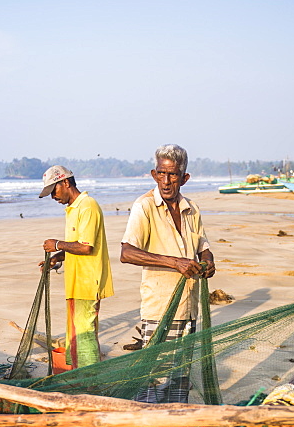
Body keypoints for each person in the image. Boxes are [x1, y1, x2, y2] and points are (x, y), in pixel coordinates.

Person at [120, 144, 215, 402]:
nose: (166, 181)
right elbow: (127, 253)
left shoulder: (191, 209)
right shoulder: (145, 207)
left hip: (189, 308)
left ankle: (174, 426)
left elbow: (203, 246)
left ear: (184, 178)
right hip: (160, 308)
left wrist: (208, 261)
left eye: (173, 175)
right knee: (156, 376)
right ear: (154, 174)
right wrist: (175, 262)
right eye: (161, 173)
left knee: (180, 377)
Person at [41, 166, 114, 368]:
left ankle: (90, 378)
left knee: (85, 332)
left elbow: (85, 247)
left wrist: (56, 244)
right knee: (75, 331)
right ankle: (78, 372)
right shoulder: (73, 208)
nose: (52, 197)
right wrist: (57, 257)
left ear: (65, 183)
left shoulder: (87, 206)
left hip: (88, 281)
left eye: (53, 191)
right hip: (75, 281)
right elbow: (76, 245)